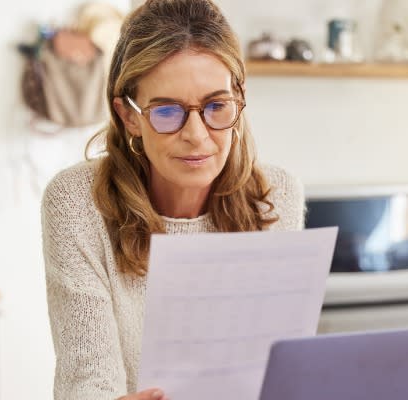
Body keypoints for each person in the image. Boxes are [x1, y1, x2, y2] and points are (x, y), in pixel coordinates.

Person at [41, 0, 304, 399]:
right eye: (168, 112)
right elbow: (87, 380)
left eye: (217, 106)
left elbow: (278, 369)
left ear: (239, 98)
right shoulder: (77, 203)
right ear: (129, 116)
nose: (197, 135)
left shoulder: (276, 197)